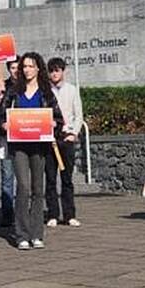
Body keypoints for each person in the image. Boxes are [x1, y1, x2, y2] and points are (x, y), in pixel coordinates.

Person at [0, 52, 63, 250]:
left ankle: (36, 234)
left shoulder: (46, 93)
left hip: (39, 147)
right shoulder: (13, 91)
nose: (26, 70)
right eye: (23, 66)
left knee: (37, 189)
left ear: (38, 69)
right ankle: (21, 234)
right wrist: (4, 124)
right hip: (19, 147)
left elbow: (58, 118)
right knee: (23, 187)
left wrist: (53, 123)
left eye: (30, 66)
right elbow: (1, 115)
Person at [45, 57, 84, 228]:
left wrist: (73, 133)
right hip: (49, 139)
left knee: (67, 178)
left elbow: (78, 115)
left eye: (57, 70)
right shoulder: (45, 91)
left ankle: (69, 215)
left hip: (66, 138)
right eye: (52, 70)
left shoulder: (72, 90)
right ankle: (53, 213)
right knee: (50, 178)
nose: (54, 74)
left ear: (63, 71)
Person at [0, 56, 19, 228]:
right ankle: (7, 215)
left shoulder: (29, 85)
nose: (15, 70)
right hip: (6, 138)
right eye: (12, 67)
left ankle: (24, 213)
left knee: (25, 179)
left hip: (25, 138)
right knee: (7, 177)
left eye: (18, 67)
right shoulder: (3, 86)